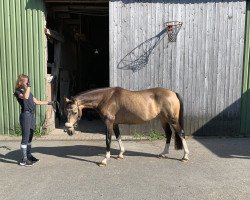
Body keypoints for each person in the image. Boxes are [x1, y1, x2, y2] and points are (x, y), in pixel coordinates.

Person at [14, 74, 53, 166]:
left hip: (31, 115)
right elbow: (26, 97)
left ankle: (28, 155)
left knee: (30, 137)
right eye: (26, 81)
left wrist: (49, 102)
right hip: (25, 115)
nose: (27, 83)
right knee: (25, 138)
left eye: (28, 81)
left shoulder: (28, 91)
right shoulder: (17, 91)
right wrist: (28, 87)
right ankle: (24, 160)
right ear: (20, 82)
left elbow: (36, 101)